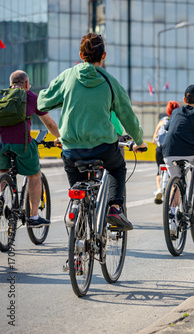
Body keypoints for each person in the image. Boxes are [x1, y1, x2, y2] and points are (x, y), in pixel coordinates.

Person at [38, 33, 147, 231]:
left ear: (81, 54)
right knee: (117, 168)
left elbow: (42, 102)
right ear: (103, 55)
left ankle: (77, 222)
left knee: (75, 182)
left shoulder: (68, 76)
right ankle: (114, 207)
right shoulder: (110, 82)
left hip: (71, 149)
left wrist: (65, 98)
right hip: (103, 148)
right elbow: (128, 117)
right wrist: (139, 141)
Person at [0, 70, 61, 227]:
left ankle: (1, 195)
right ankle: (33, 217)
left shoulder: (2, 96)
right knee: (34, 175)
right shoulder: (31, 97)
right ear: (26, 84)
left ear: (10, 84)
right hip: (22, 144)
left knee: (2, 171)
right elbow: (50, 123)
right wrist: (61, 137)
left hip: (1, 143)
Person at [152, 100, 180, 204]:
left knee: (159, 169)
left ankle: (159, 189)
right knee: (173, 173)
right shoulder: (177, 120)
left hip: (160, 149)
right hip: (172, 151)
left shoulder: (162, 121)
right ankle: (172, 198)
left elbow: (154, 139)